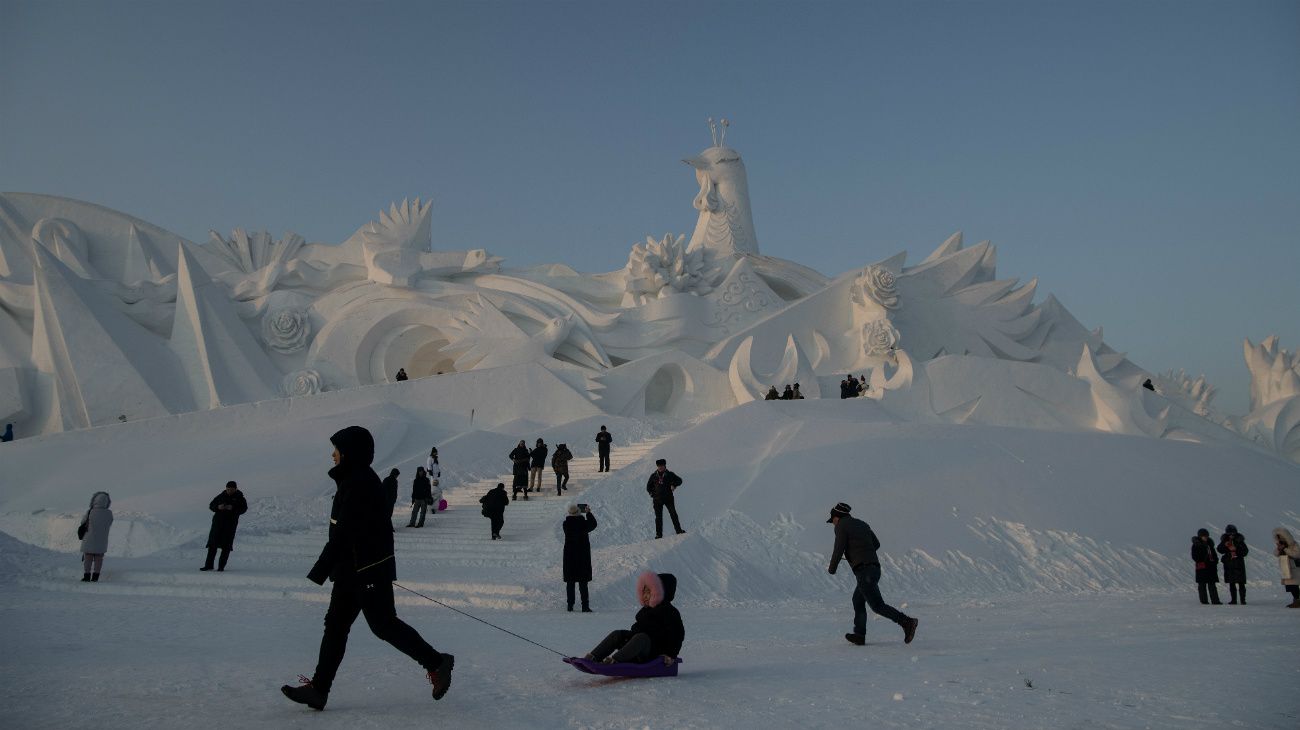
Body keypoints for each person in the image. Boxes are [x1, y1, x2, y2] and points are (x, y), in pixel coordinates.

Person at [281, 426, 454, 710]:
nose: (332, 454)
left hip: (367, 570)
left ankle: (437, 662)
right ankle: (319, 689)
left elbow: (345, 532)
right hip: (353, 570)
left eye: (337, 449)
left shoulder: (360, 482)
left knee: (383, 625)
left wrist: (321, 569)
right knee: (335, 627)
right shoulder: (353, 479)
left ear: (350, 453)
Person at [827, 502, 918, 645]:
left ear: (837, 517)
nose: (833, 524)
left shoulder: (841, 526)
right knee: (858, 600)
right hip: (874, 568)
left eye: (832, 520)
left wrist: (832, 569)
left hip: (864, 571)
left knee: (877, 605)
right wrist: (862, 549)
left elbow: (838, 548)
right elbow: (876, 544)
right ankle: (859, 635)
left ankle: (906, 622)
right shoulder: (863, 524)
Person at [581, 571, 683, 665]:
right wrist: (628, 637)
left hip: (654, 652)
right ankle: (593, 657)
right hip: (637, 647)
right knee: (618, 634)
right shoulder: (646, 610)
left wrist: (670, 655)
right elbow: (638, 628)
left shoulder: (670, 612)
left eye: (649, 592)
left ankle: (615, 661)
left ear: (660, 593)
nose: (645, 596)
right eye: (644, 592)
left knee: (641, 637)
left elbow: (677, 635)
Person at [202, 481, 248, 572]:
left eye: (231, 489)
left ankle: (221, 567)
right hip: (217, 525)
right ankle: (208, 565)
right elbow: (211, 506)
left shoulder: (240, 498)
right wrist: (218, 507)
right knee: (212, 545)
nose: (229, 491)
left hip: (230, 526)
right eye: (228, 489)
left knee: (226, 547)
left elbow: (243, 509)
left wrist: (233, 508)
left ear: (235, 489)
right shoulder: (221, 496)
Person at [563, 504, 597, 612]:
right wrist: (588, 513)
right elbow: (593, 524)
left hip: (570, 556)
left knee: (570, 582)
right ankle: (585, 606)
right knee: (583, 583)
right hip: (582, 556)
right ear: (579, 512)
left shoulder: (566, 524)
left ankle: (570, 605)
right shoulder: (583, 523)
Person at [78, 491, 113, 582]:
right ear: (107, 502)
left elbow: (83, 522)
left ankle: (87, 576)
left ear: (94, 501)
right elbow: (110, 523)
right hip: (102, 540)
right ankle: (95, 576)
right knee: (99, 558)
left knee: (88, 558)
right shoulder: (109, 513)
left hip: (89, 539)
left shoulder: (90, 512)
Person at [646, 458, 685, 539]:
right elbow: (648, 487)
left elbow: (680, 481)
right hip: (657, 500)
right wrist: (652, 493)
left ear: (665, 466)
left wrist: (674, 485)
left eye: (662, 466)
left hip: (668, 498)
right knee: (658, 517)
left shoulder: (670, 474)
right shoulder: (653, 476)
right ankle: (658, 535)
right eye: (658, 466)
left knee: (673, 514)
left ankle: (678, 530)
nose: (660, 467)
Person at [1217, 525, 1248, 605]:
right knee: (1231, 583)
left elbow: (1245, 552)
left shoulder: (1240, 540)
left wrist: (1236, 549)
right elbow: (1219, 549)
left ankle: (1242, 600)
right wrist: (1225, 545)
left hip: (1238, 564)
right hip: (1229, 564)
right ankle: (1233, 600)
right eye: (1230, 534)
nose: (1231, 536)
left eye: (1233, 534)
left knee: (1241, 583)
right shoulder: (1225, 540)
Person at [1191, 528, 1222, 605]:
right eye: (1203, 536)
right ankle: (1204, 601)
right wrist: (1203, 559)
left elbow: (1214, 554)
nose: (1205, 537)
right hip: (1202, 567)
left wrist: (1215, 561)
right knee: (1202, 585)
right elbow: (1194, 556)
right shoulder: (1196, 545)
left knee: (1212, 585)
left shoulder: (1210, 545)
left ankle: (1215, 600)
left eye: (1206, 536)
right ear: (1200, 536)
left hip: (1211, 567)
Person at [1272, 527, 1300, 607]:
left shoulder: (1294, 544)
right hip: (1286, 568)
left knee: (1294, 584)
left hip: (1294, 568)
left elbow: (1297, 554)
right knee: (1290, 586)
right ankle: (1296, 600)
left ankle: (1297, 601)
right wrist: (1279, 549)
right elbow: (1275, 554)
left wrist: (1285, 549)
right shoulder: (1281, 546)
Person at [425, 448, 442, 517]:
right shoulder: (430, 458)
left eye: (436, 452)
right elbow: (429, 466)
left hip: (436, 476)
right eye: (435, 452)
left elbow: (437, 466)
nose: (436, 453)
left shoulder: (436, 458)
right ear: (433, 452)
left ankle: (437, 504)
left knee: (438, 490)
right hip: (432, 477)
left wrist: (439, 472)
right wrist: (430, 471)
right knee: (434, 490)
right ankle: (430, 506)